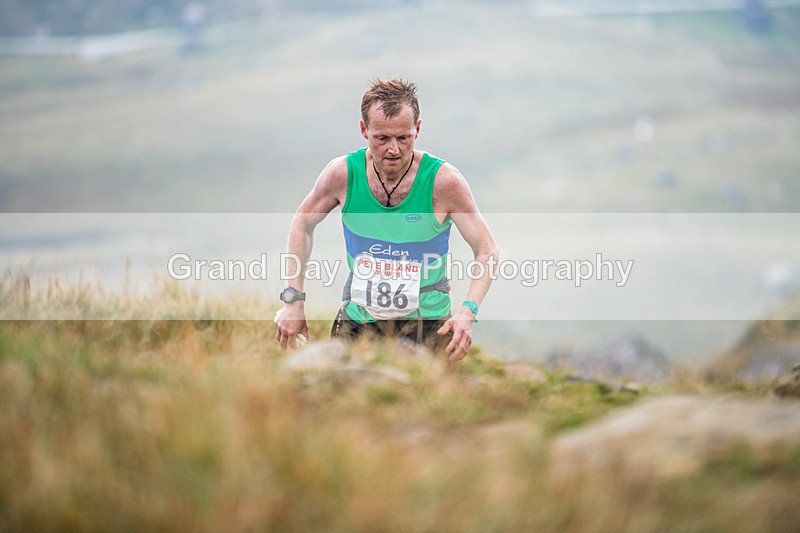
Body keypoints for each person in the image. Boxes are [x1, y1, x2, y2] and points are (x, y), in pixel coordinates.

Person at [274, 78, 498, 361]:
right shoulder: (343, 175)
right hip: (358, 321)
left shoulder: (444, 182)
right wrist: (293, 301)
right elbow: (302, 223)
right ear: (363, 130)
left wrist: (468, 311)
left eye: (403, 138)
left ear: (417, 129)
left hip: (427, 324)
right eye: (382, 139)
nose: (393, 149)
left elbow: (487, 250)